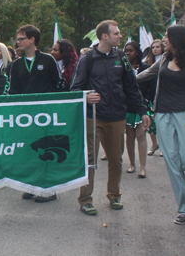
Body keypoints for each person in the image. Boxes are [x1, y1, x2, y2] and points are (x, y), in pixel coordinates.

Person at [70, 20, 149, 215]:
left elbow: (131, 87)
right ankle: (85, 199)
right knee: (90, 160)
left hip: (117, 118)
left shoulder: (122, 58)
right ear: (105, 36)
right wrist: (86, 97)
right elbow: (75, 88)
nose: (120, 36)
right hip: (93, 117)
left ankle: (114, 195)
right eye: (116, 33)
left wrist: (143, 111)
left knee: (116, 159)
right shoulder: (87, 59)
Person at [137, 26, 185, 225]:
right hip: (162, 114)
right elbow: (146, 75)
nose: (163, 39)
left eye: (166, 36)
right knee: (173, 162)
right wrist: (122, 81)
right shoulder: (164, 59)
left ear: (176, 39)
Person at [9, 24, 61, 203]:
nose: (18, 42)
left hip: (45, 115)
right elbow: (13, 91)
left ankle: (49, 189)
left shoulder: (48, 61)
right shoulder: (16, 64)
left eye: (21, 38)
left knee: (46, 150)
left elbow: (58, 86)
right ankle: (32, 185)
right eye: (18, 39)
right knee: (28, 151)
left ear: (32, 40)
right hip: (25, 117)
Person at [123, 42, 155, 178]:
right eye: (126, 51)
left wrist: (148, 102)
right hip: (126, 107)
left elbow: (152, 88)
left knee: (141, 136)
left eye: (131, 50)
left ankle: (143, 167)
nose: (128, 53)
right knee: (129, 137)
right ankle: (132, 164)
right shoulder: (122, 68)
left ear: (137, 52)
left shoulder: (146, 68)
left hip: (142, 107)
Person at [144, 39, 165, 156]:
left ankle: (162, 145)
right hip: (151, 96)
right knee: (151, 122)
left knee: (162, 122)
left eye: (157, 47)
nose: (155, 49)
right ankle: (154, 143)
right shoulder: (147, 63)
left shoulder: (167, 60)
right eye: (153, 47)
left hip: (163, 95)